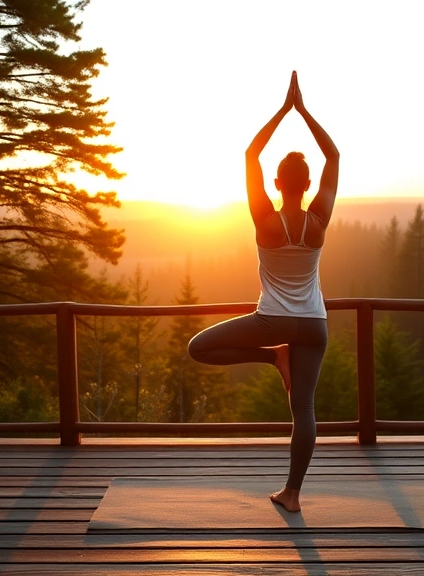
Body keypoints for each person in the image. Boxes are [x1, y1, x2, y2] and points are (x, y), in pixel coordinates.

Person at [188, 71, 339, 513]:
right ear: (308, 186)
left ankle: (273, 355)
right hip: (314, 324)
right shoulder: (320, 219)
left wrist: (283, 109)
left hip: (272, 320)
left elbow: (252, 152)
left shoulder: (265, 221)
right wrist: (305, 111)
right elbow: (332, 154)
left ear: (277, 184)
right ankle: (292, 494)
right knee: (304, 409)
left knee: (200, 347)